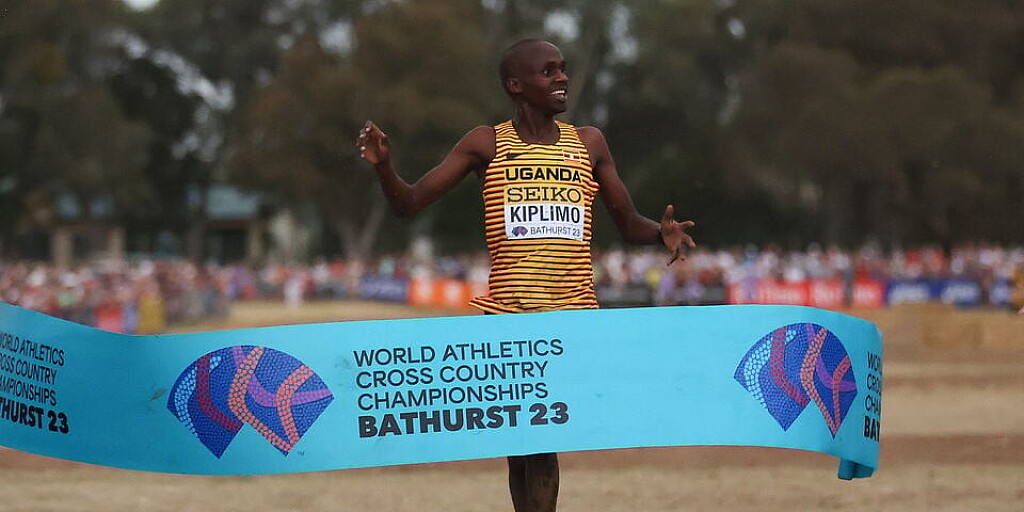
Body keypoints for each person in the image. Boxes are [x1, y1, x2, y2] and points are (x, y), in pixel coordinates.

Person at [357, 38, 696, 512]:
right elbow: (409, 204)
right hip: (507, 317)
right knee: (524, 445)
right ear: (516, 85)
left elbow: (627, 223)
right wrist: (385, 168)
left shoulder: (589, 143)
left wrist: (660, 234)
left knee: (539, 441)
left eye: (563, 69)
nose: (562, 78)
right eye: (548, 71)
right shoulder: (486, 142)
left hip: (570, 314)